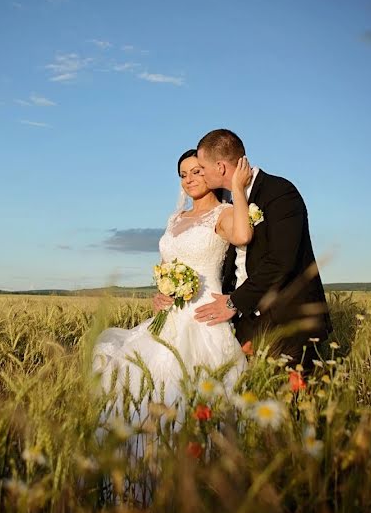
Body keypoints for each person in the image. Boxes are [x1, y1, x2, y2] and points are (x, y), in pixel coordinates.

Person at [92, 148, 253, 425]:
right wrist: (161, 292)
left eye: (197, 171)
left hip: (204, 315)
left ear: (211, 172)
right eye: (183, 174)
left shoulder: (223, 213)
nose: (189, 179)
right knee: (147, 381)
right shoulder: (174, 218)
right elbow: (166, 265)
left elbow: (242, 235)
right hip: (169, 315)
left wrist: (237, 189)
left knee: (195, 388)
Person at [188, 128, 332, 368]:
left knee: (293, 400)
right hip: (243, 322)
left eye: (202, 168)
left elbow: (281, 261)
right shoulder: (225, 203)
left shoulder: (280, 193)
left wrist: (233, 302)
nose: (200, 175)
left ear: (221, 167)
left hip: (286, 323)